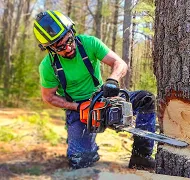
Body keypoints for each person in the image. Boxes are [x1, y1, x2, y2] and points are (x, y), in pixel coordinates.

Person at [33, 10, 156, 169]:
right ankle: (82, 152)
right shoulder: (47, 66)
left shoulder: (89, 43)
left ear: (72, 32)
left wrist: (112, 81)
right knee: (80, 161)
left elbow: (120, 64)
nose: (68, 48)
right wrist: (77, 107)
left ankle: (141, 156)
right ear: (50, 48)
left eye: (69, 41)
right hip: (78, 108)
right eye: (60, 47)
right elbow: (48, 97)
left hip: (102, 96)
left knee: (145, 99)